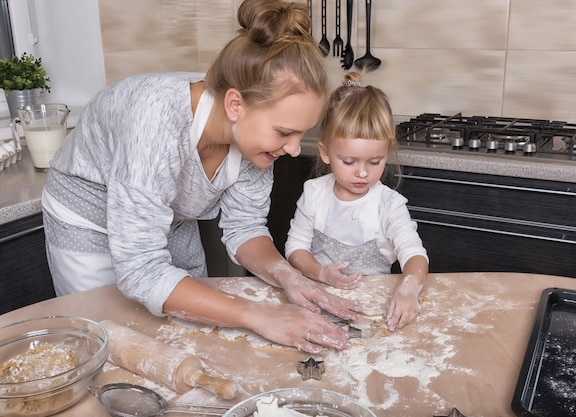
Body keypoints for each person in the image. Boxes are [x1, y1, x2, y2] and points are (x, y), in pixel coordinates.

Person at [41, 0, 359, 354]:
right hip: (89, 225)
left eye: (301, 134)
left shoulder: (255, 143)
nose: (295, 149)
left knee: (187, 342)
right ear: (235, 105)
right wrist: (260, 316)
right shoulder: (154, 120)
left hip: (170, 221)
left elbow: (245, 229)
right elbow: (142, 271)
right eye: (285, 132)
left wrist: (289, 277)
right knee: (110, 345)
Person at [285, 72, 429, 331]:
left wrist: (408, 290)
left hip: (376, 311)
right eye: (349, 162)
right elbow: (295, 248)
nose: (362, 172)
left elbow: (414, 254)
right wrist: (320, 273)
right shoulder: (315, 193)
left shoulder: (388, 204)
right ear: (325, 152)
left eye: (375, 162)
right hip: (321, 303)